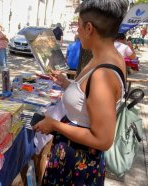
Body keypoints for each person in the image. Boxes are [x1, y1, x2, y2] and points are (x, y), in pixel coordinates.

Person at [33, 0, 128, 185]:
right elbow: (89, 99)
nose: (77, 31)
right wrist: (67, 83)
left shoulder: (102, 75)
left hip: (77, 164)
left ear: (89, 28)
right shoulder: (107, 57)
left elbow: (103, 140)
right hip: (73, 158)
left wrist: (54, 125)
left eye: (78, 25)